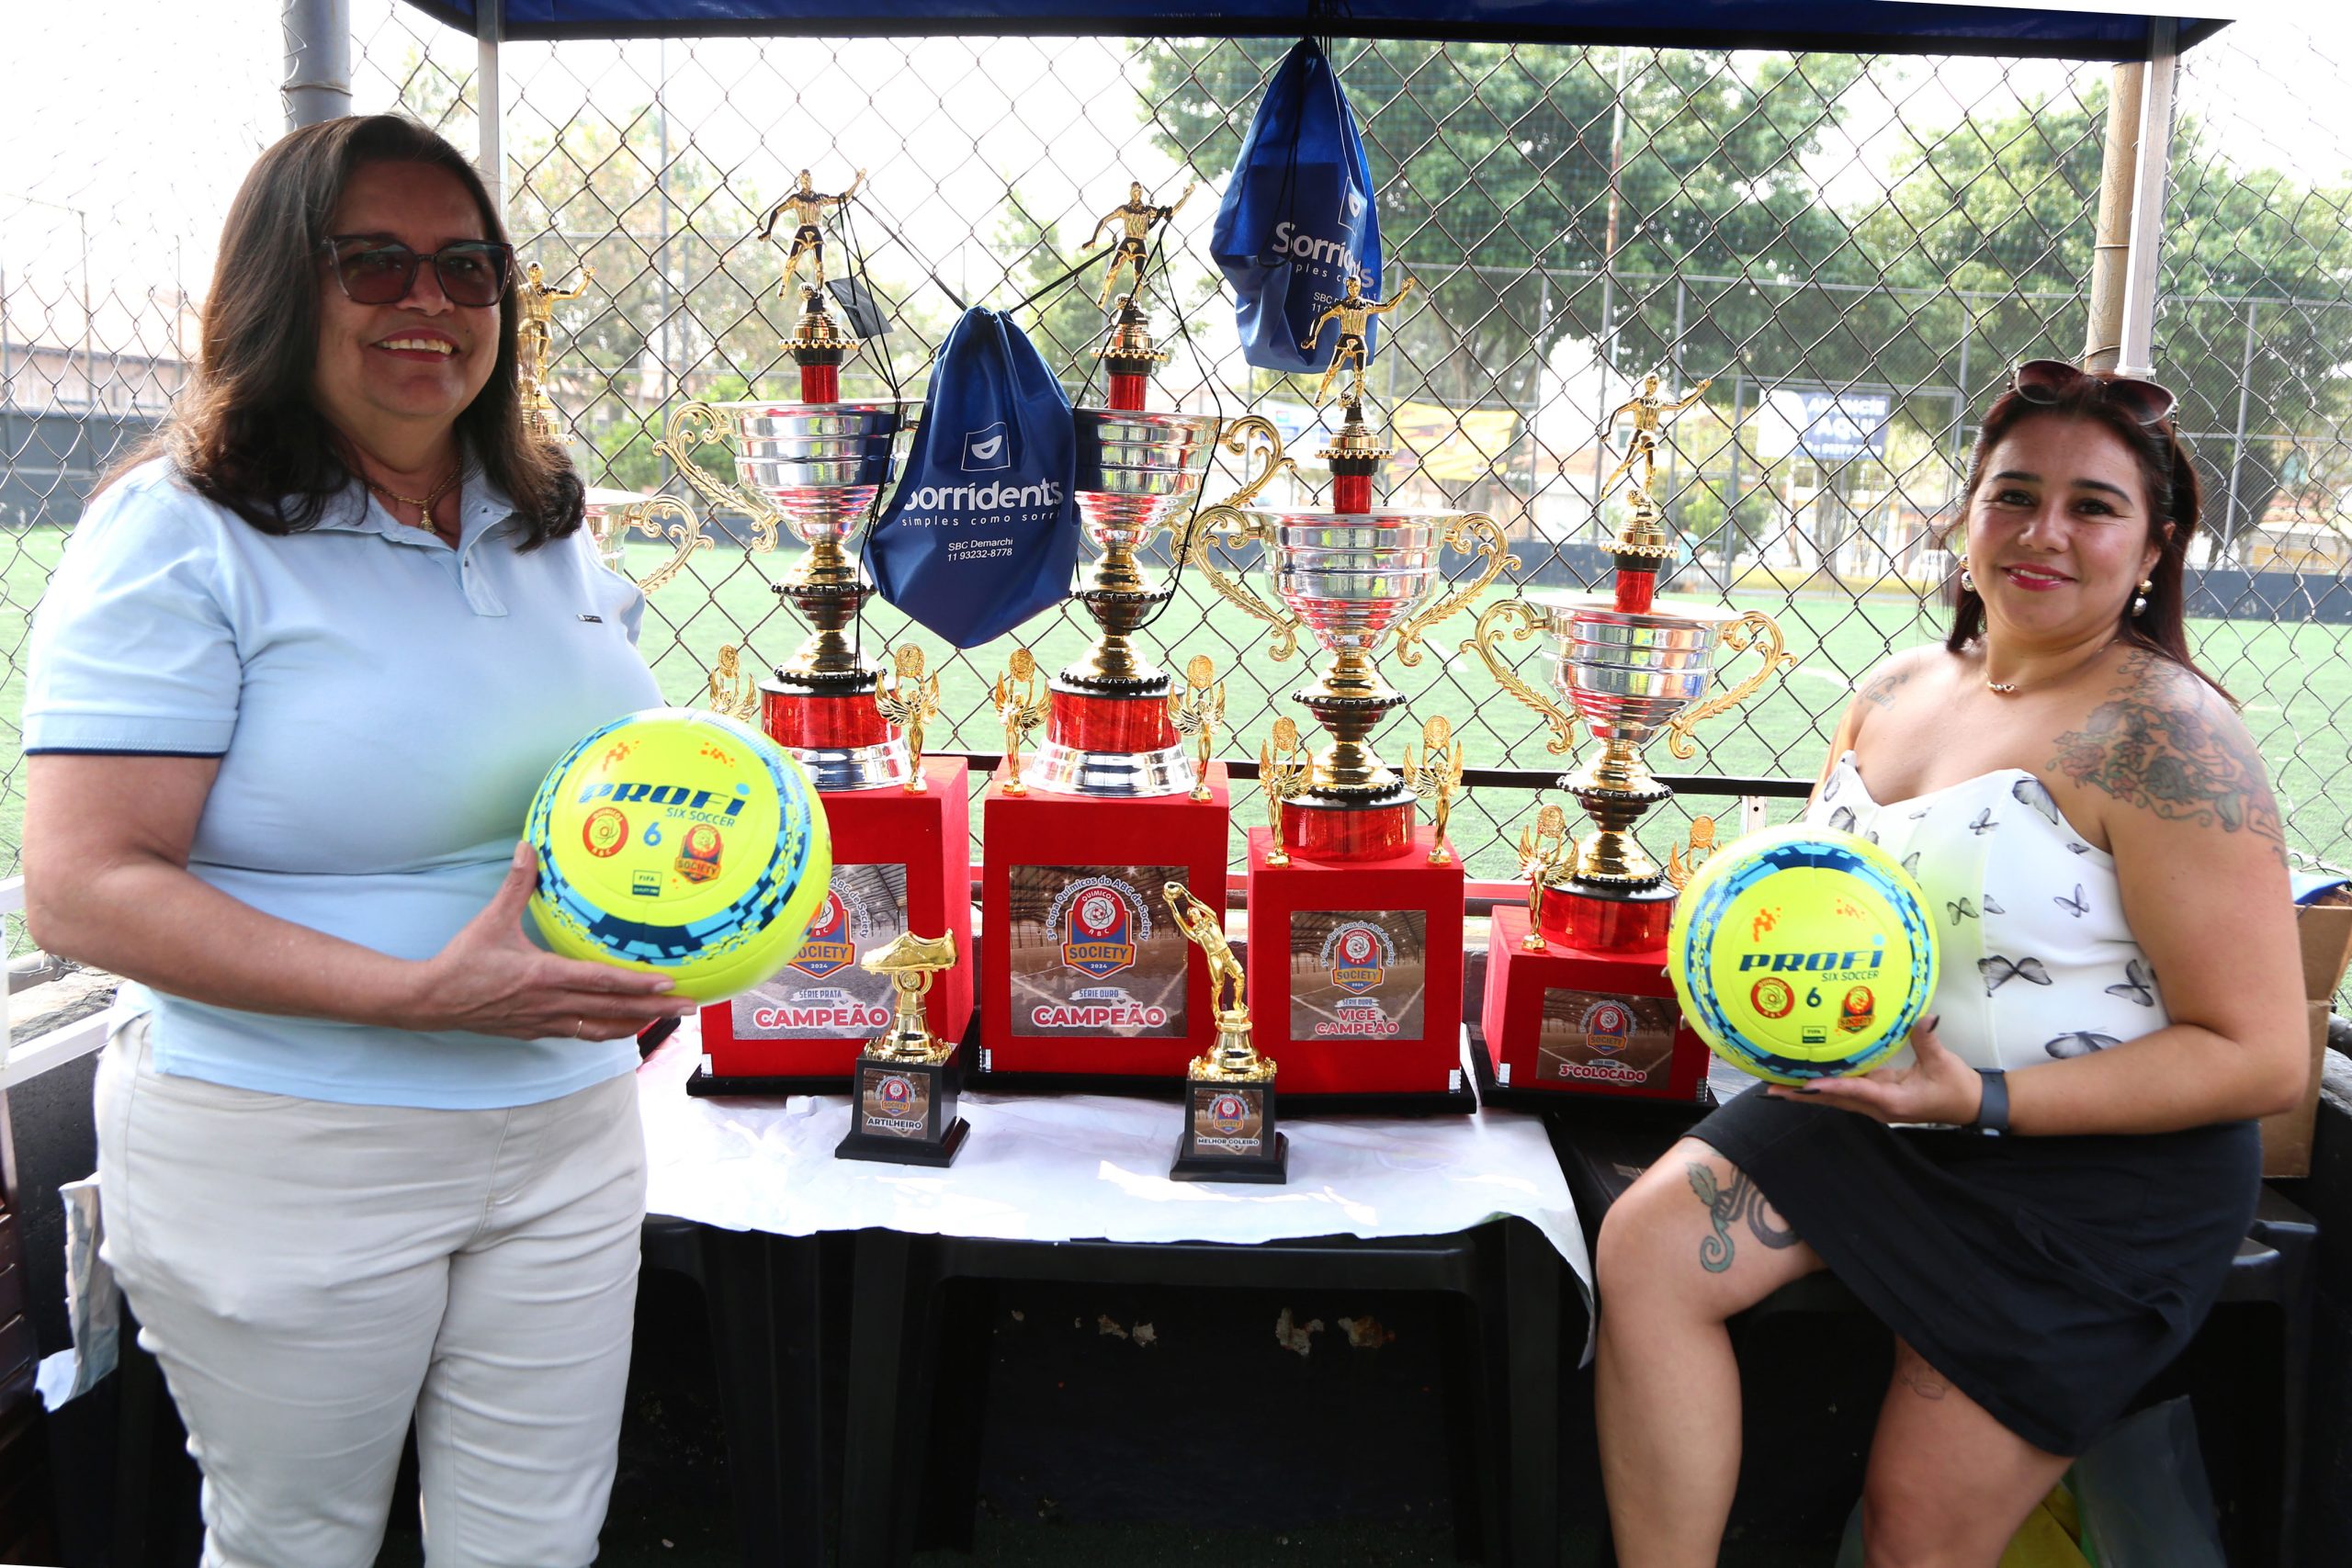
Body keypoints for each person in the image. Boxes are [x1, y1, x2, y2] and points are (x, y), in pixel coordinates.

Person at [20, 115, 688, 1566]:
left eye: (466, 267)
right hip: (291, 1140)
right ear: (278, 286)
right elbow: (81, 888)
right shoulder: (180, 531)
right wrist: (415, 996)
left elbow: (593, 799)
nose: (427, 304)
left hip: (563, 1127)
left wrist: (687, 921)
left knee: (534, 1547)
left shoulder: (543, 520)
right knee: (298, 1544)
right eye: (372, 263)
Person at [1594, 359, 2309, 1567]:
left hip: (2098, 1178)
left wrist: (1978, 1098)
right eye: (2012, 495)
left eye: (2093, 507)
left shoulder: (2170, 740)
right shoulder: (1896, 688)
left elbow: (2261, 1058)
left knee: (1918, 1534)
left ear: (2154, 548)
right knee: (1649, 1247)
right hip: (1887, 1114)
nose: (2043, 533)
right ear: (1963, 516)